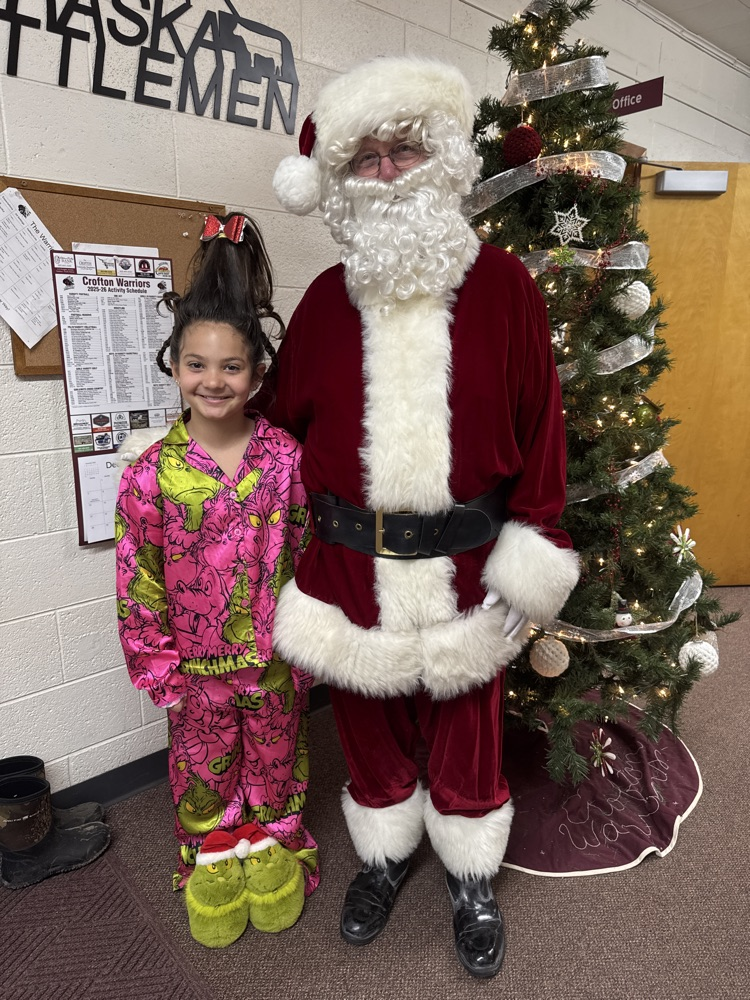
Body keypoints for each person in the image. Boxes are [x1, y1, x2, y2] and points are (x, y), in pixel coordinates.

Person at [267, 57, 579, 978]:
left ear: (441, 160)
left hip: (471, 564)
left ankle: (470, 866)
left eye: (406, 150)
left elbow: (542, 431)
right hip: (348, 569)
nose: (387, 171)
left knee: (470, 727)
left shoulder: (507, 289)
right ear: (339, 182)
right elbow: (283, 431)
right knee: (364, 724)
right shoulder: (324, 301)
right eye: (365, 159)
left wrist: (538, 546)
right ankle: (385, 848)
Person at [115, 213, 319, 896]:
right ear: (174, 366)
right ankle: (210, 864)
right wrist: (162, 673)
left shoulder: (287, 460)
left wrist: (307, 650)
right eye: (197, 364)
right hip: (195, 672)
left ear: (257, 373)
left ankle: (280, 852)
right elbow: (137, 581)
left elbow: (307, 555)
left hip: (275, 665)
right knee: (203, 777)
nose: (213, 380)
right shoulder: (148, 475)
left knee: (278, 765)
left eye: (232, 366)